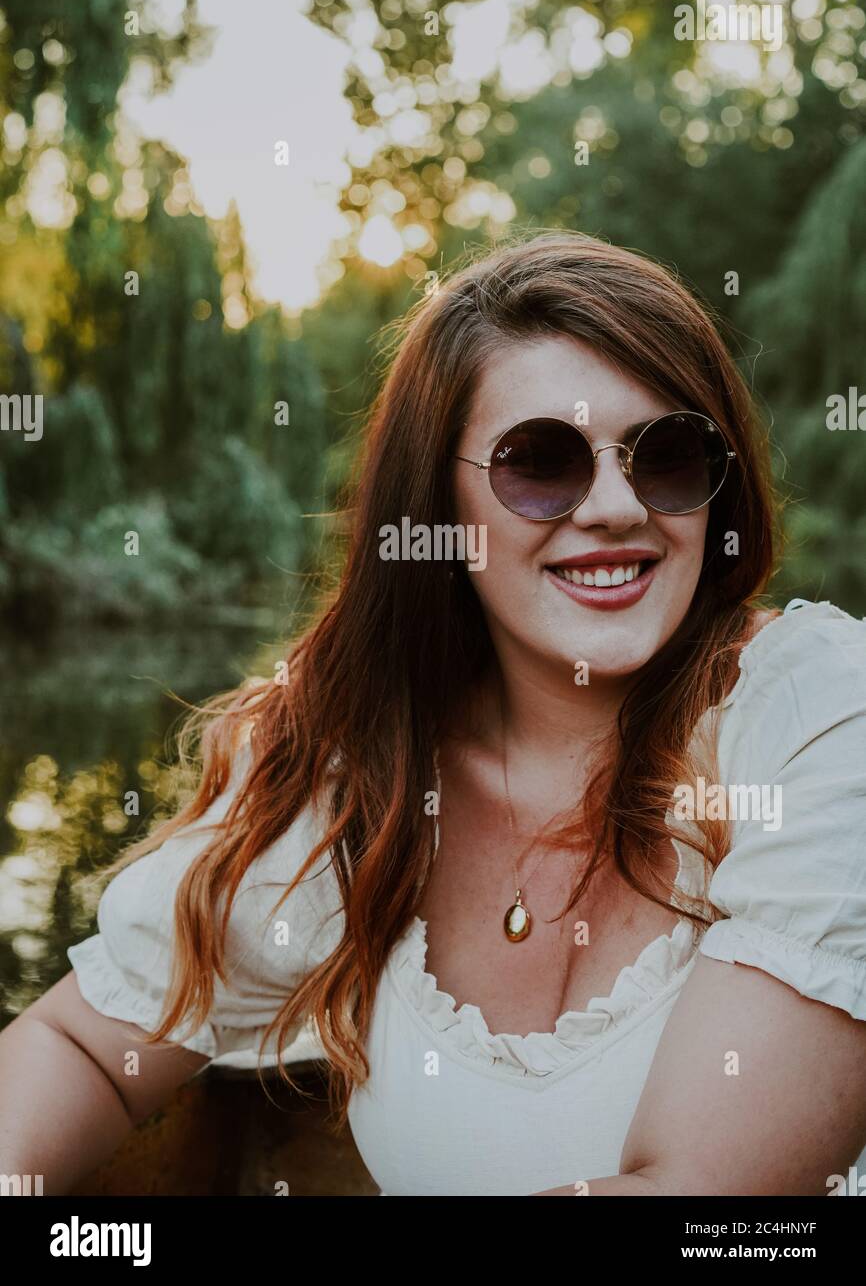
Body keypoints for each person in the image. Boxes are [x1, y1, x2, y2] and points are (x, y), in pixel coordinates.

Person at [2, 232, 866, 1197]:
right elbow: (83, 1045)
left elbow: (704, 1202)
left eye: (666, 456)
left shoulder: (819, 720)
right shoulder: (352, 778)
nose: (619, 506)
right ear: (436, 505)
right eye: (541, 462)